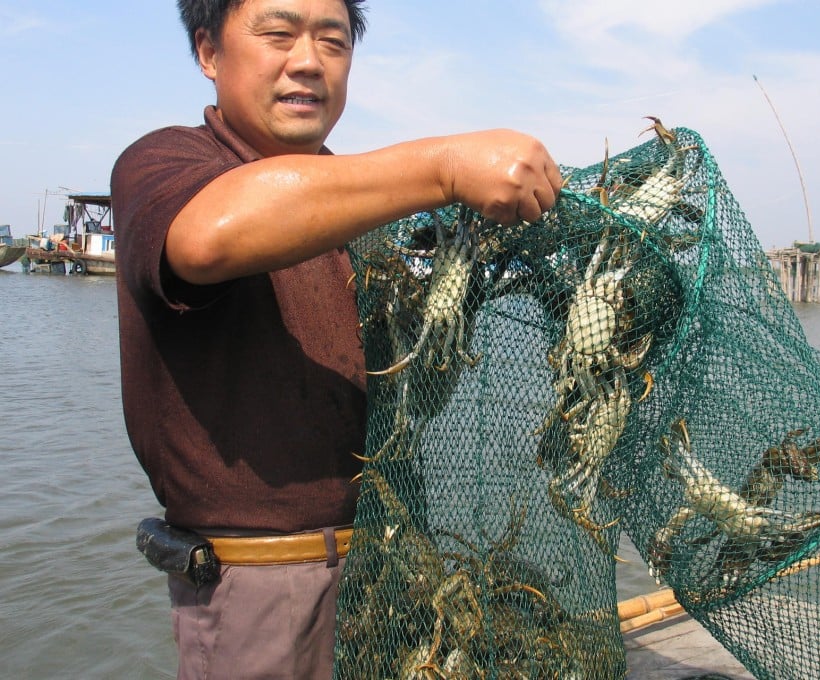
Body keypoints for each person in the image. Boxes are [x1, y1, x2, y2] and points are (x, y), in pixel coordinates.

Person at [111, 0, 562, 677]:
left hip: (394, 568)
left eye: (333, 40)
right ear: (208, 51)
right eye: (278, 33)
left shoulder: (361, 213)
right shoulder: (164, 163)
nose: (308, 61)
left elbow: (405, 396)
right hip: (258, 583)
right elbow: (208, 238)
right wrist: (444, 167)